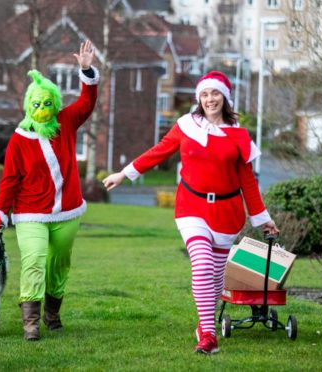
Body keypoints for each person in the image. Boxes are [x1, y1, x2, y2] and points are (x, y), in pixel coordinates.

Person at [102, 71, 279, 354]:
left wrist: (262, 219)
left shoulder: (238, 136)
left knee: (216, 278)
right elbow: (159, 152)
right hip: (191, 206)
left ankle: (204, 323)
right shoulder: (186, 126)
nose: (210, 99)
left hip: (227, 212)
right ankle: (208, 335)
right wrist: (125, 173)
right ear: (199, 98)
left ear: (225, 97)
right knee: (202, 263)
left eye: (215, 94)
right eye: (205, 94)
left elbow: (248, 181)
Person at [0, 40, 98, 341]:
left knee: (59, 265)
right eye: (35, 104)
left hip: (68, 211)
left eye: (47, 103)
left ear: (54, 103)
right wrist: (1, 211)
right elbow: (10, 179)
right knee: (34, 260)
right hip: (30, 214)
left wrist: (86, 70)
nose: (41, 108)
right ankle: (31, 322)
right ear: (28, 105)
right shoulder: (19, 139)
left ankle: (53, 313)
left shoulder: (66, 121)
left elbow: (87, 103)